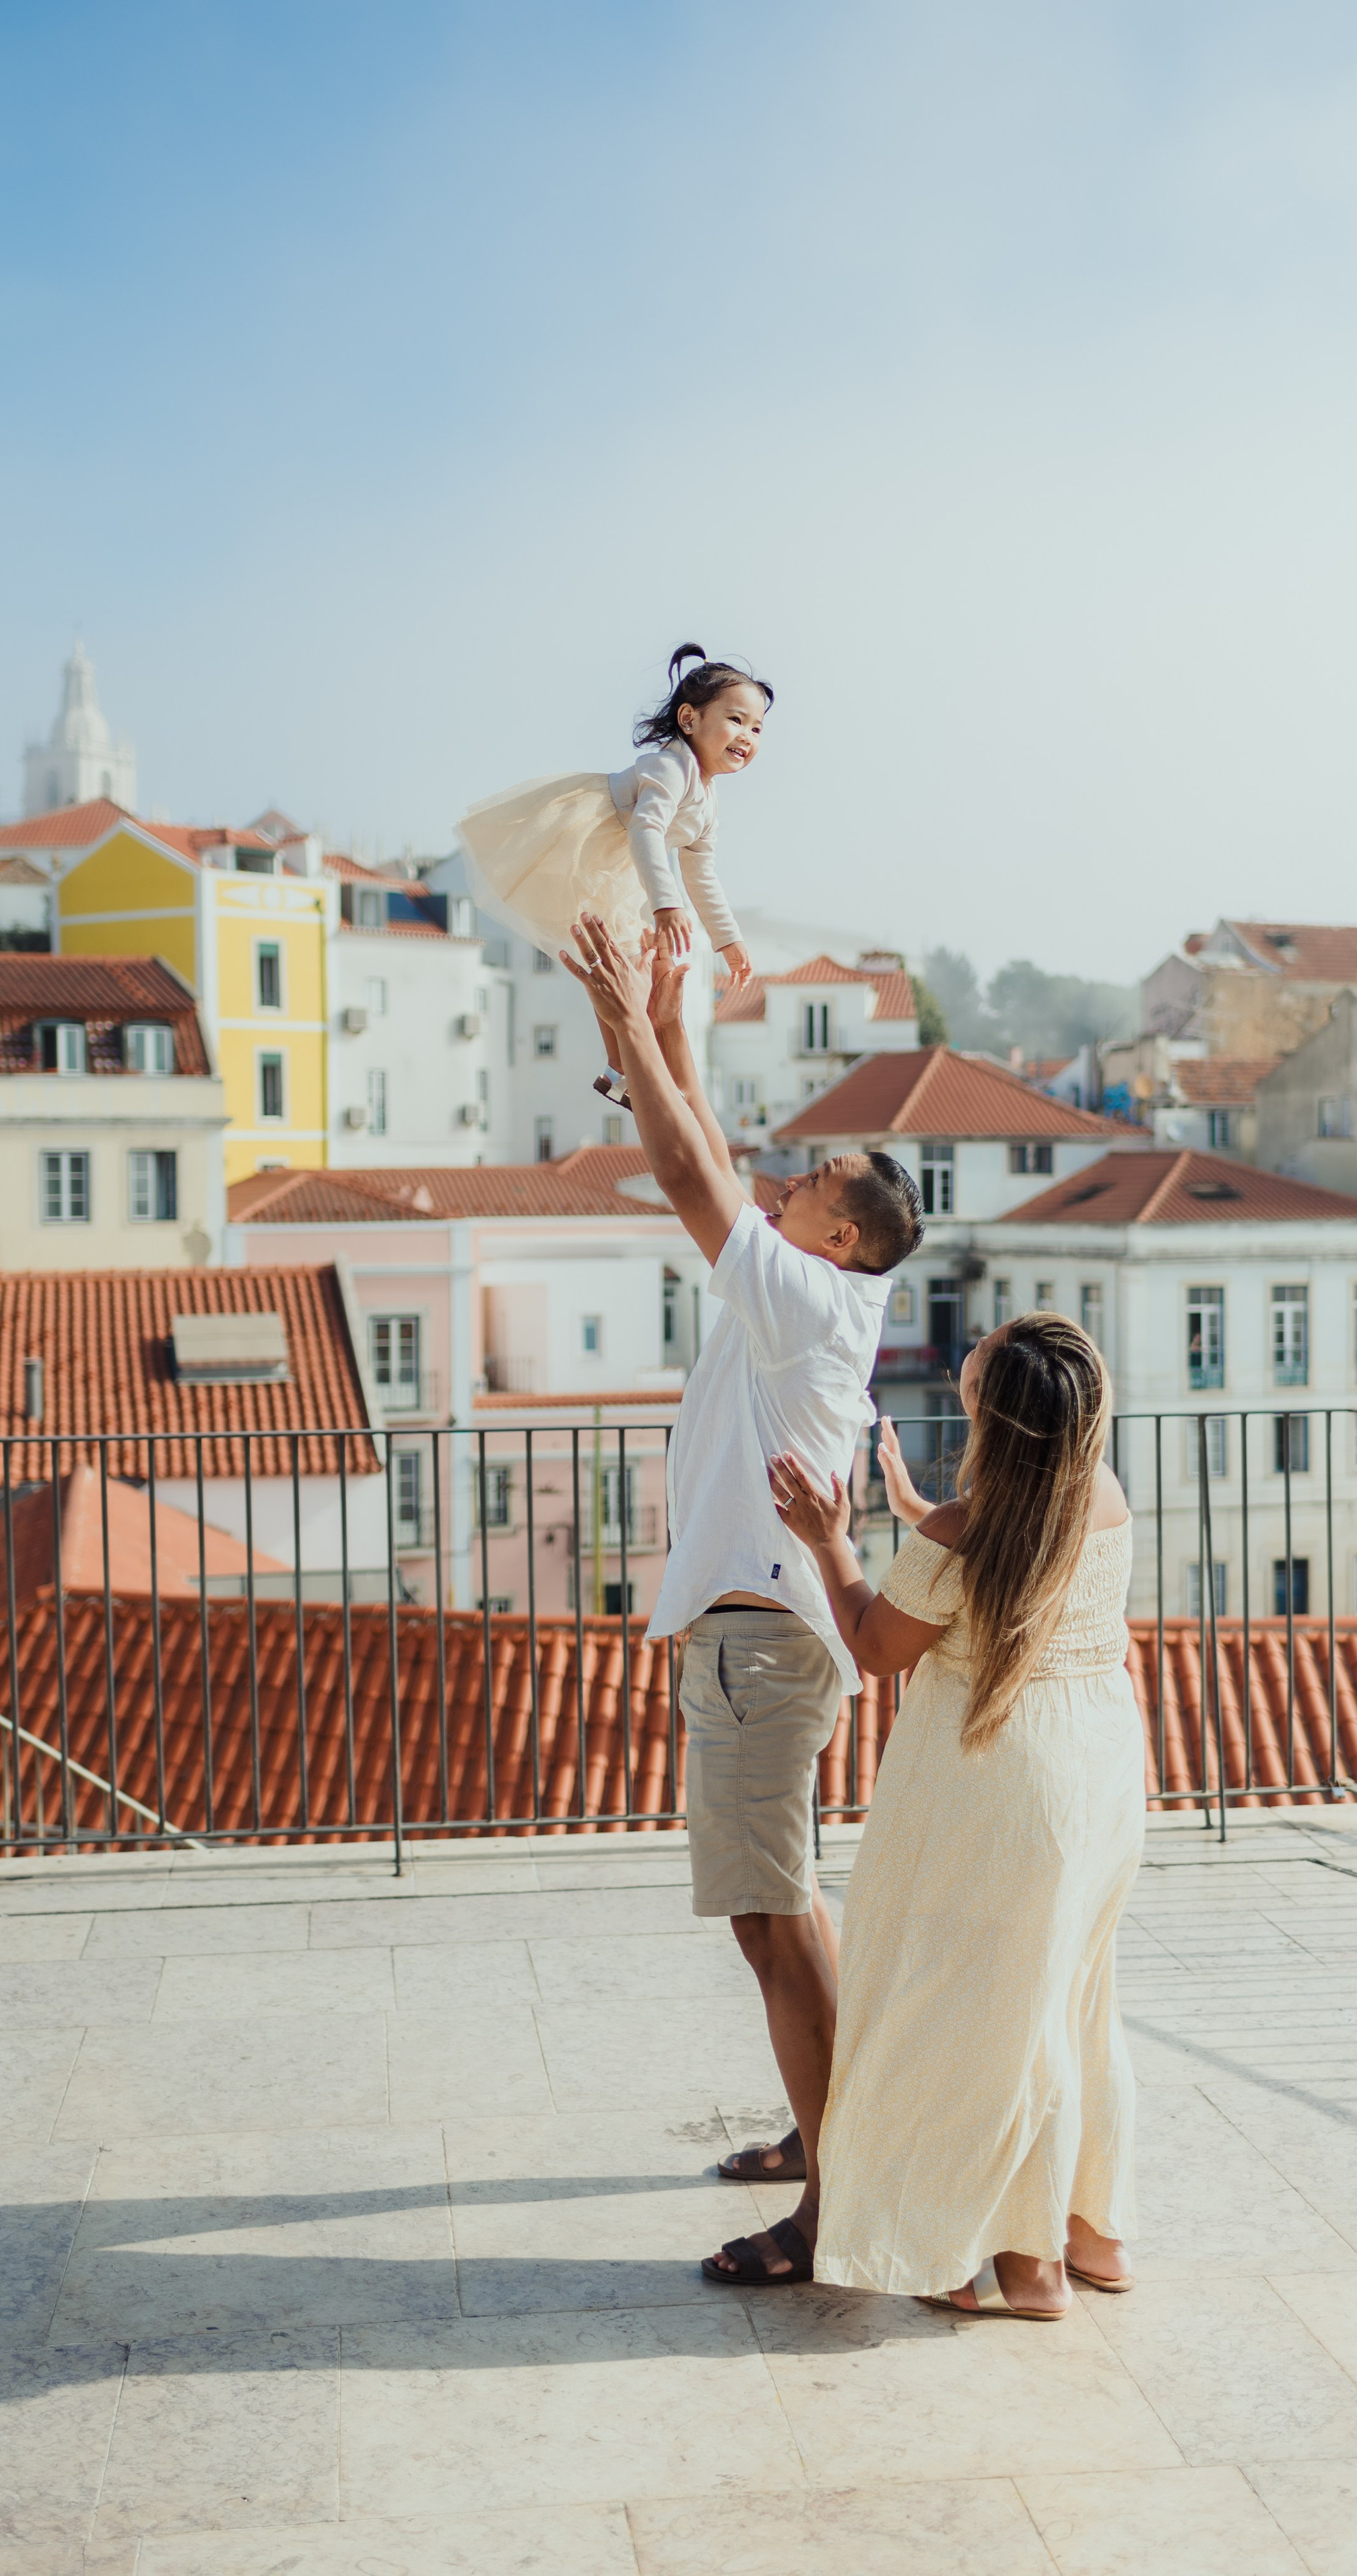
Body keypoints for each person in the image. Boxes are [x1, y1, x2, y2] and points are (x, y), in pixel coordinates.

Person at [558, 911, 925, 2289]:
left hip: (761, 1648)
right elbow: (704, 1142)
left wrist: (631, 1023)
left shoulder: (809, 1301)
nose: (784, 1180)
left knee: (774, 1916)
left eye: (813, 1180)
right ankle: (824, 2132)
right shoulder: (802, 1291)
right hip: (755, 1640)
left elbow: (681, 1164)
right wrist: (651, 1021)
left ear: (844, 1232)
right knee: (774, 1913)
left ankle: (839, 2196)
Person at [767, 1313, 1145, 2317]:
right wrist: (920, 1512)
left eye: (973, 1368)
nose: (967, 1355)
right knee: (1068, 2000)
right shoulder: (1102, 1496)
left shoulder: (959, 1535)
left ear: (991, 1416)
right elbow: (1012, 1554)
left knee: (967, 2016)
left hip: (1002, 1787)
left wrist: (831, 1540)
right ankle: (1088, 2228)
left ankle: (1017, 2261)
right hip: (1101, 1770)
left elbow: (876, 1643)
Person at [457, 645, 765, 1109]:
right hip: (588, 847)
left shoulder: (709, 797)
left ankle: (624, 1070)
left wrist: (728, 939)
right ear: (689, 720)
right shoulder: (672, 766)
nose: (747, 735)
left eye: (757, 728)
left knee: (629, 965)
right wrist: (666, 904)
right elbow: (646, 829)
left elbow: (701, 870)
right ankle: (621, 1069)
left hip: (622, 865)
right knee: (617, 961)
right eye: (736, 719)